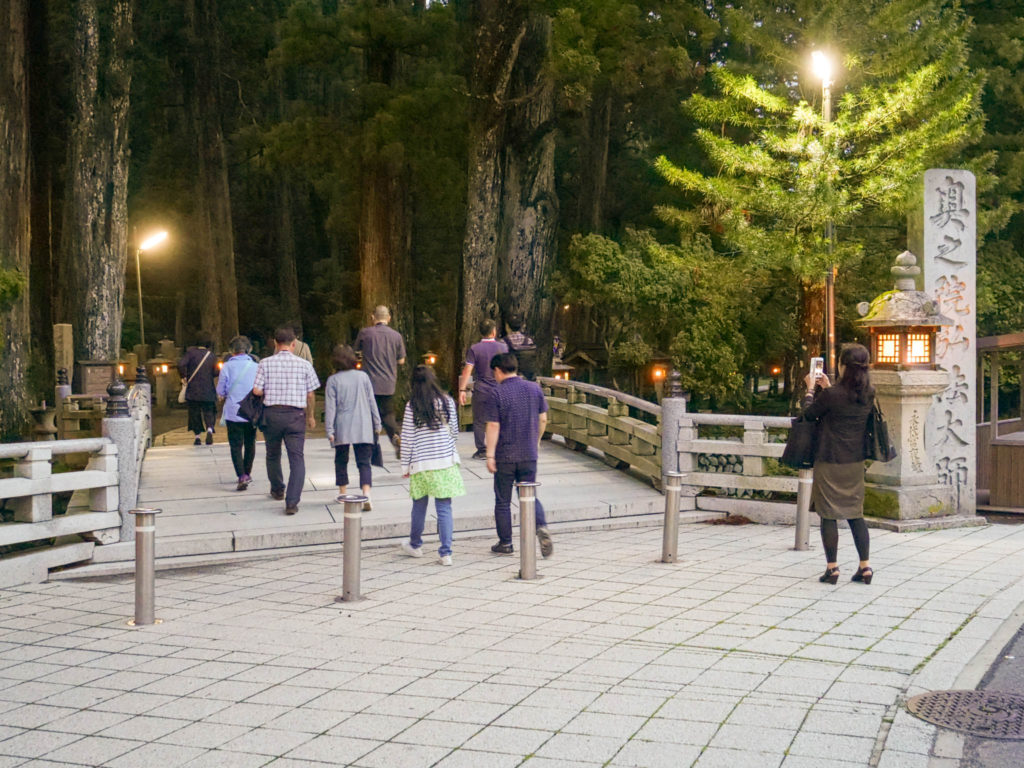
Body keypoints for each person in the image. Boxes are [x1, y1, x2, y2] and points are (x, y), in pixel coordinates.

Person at [802, 343, 875, 585]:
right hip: (855, 461)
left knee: (828, 514)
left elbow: (808, 414)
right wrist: (829, 388)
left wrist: (810, 389)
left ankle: (832, 568)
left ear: (843, 366)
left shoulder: (832, 396)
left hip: (830, 459)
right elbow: (846, 402)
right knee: (856, 514)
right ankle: (865, 567)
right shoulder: (868, 393)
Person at [483, 352, 553, 558]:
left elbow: (494, 425)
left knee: (503, 500)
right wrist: (537, 441)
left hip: (505, 454)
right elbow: (543, 419)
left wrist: (490, 455)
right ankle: (541, 526)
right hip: (528, 453)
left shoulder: (496, 393)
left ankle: (505, 543)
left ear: (497, 370)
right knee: (529, 495)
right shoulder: (534, 388)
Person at [398, 365, 464, 566]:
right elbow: (454, 431)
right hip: (445, 461)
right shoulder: (447, 402)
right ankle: (446, 553)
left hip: (421, 462)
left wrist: (405, 466)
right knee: (444, 507)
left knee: (419, 505)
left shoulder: (412, 405)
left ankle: (415, 545)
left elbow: (407, 438)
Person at [252, 327, 320, 515]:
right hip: (295, 416)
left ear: (275, 343)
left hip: (272, 415)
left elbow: (256, 391)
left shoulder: (265, 363)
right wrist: (311, 416)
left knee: (272, 454)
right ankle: (292, 501)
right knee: (296, 458)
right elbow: (311, 393)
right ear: (294, 344)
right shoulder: (304, 365)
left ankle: (277, 488)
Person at [325, 345, 381, 512]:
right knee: (364, 462)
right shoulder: (363, 377)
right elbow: (372, 401)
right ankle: (366, 493)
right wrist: (377, 423)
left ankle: (343, 493)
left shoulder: (333, 380)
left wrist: (329, 430)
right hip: (363, 424)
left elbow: (330, 408)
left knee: (341, 460)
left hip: (342, 425)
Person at [354, 306, 406, 456]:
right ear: (388, 318)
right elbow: (401, 360)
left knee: (369, 414)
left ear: (372, 317)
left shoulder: (365, 333)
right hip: (388, 382)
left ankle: (371, 446)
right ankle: (396, 437)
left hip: (368, 382)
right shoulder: (396, 336)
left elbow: (356, 352)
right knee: (388, 413)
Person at [459, 319, 508, 459]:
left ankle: (482, 450)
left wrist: (462, 390)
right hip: (499, 388)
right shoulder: (503, 348)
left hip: (481, 388)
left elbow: (468, 370)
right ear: (494, 331)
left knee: (479, 421)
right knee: (500, 418)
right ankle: (499, 447)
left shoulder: (475, 348)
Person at [217, 336, 259, 491]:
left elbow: (220, 390)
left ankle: (241, 475)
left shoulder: (226, 367)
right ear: (249, 350)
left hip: (233, 411)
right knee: (250, 443)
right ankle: (247, 472)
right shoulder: (256, 366)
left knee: (235, 445)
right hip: (251, 411)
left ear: (231, 351)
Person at [178, 331, 218, 446]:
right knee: (209, 410)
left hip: (193, 389)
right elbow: (215, 371)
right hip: (208, 388)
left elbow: (181, 364)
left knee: (194, 413)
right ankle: (210, 429)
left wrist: (184, 376)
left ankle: (197, 437)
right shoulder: (211, 355)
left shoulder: (191, 353)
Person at [502, 314, 538, 381]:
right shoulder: (529, 341)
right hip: (528, 379)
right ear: (521, 326)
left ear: (507, 326)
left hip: (511, 378)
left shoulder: (503, 342)